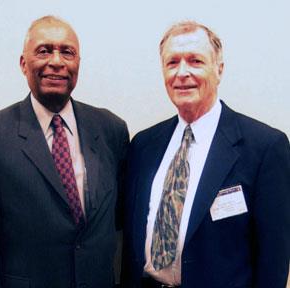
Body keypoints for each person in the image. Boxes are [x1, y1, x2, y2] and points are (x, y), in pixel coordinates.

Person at [0, 15, 129, 288]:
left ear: (78, 64)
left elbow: (119, 226)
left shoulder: (111, 129)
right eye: (44, 50)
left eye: (68, 52)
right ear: (23, 63)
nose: (56, 61)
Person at [122, 21, 290, 288]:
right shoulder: (144, 145)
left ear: (219, 69)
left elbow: (273, 261)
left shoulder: (265, 147)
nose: (182, 72)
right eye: (172, 62)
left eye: (195, 61)